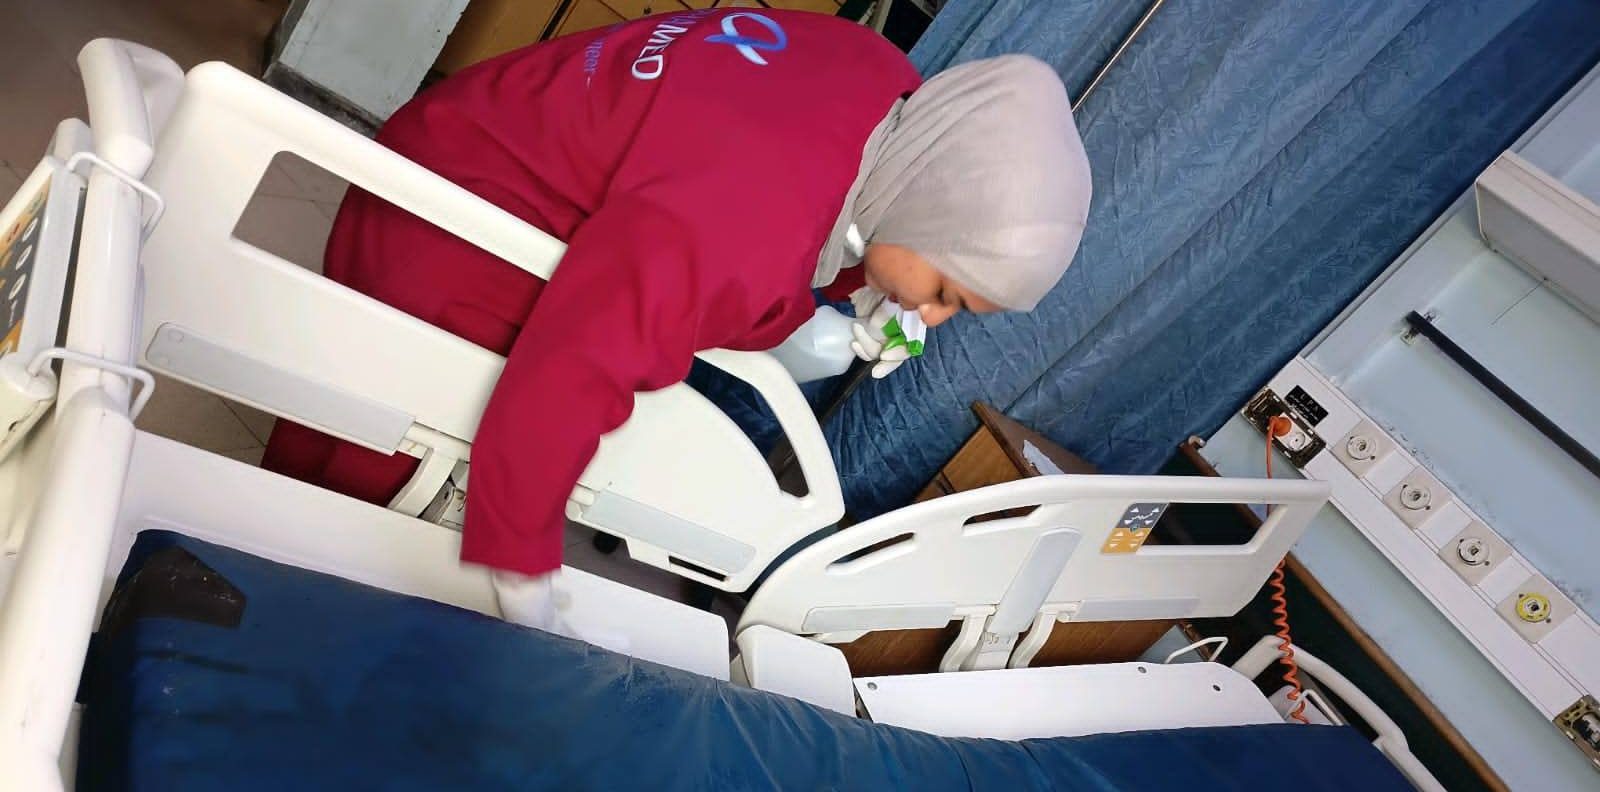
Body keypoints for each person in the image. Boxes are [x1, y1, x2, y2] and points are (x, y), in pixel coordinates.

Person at [261, 8, 1091, 631]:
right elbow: (577, 368)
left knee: (338, 408)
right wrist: (520, 563)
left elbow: (761, 210)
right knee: (351, 467)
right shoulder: (741, 219)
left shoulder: (884, 81)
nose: (930, 317)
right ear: (933, 199)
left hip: (478, 121)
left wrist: (852, 283)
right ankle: (270, 598)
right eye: (945, 290)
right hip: (449, 223)